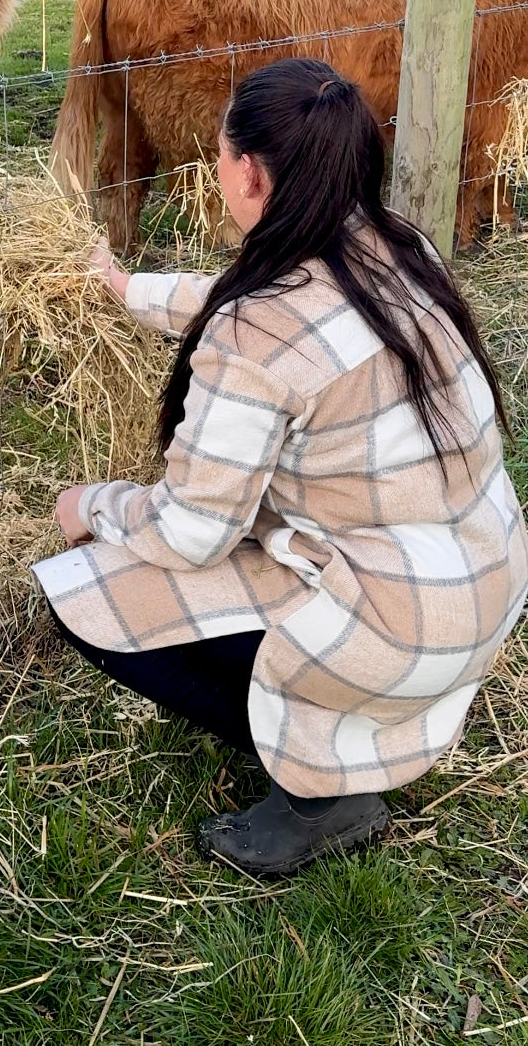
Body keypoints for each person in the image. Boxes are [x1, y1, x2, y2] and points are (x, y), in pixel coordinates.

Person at [33, 57, 528, 878]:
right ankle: (348, 722)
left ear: (249, 175)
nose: (217, 169)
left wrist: (94, 503)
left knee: (85, 586)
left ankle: (324, 789)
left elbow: (192, 529)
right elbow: (255, 301)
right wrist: (125, 287)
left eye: (221, 155)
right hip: (482, 588)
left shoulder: (254, 334)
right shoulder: (398, 250)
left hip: (403, 630)